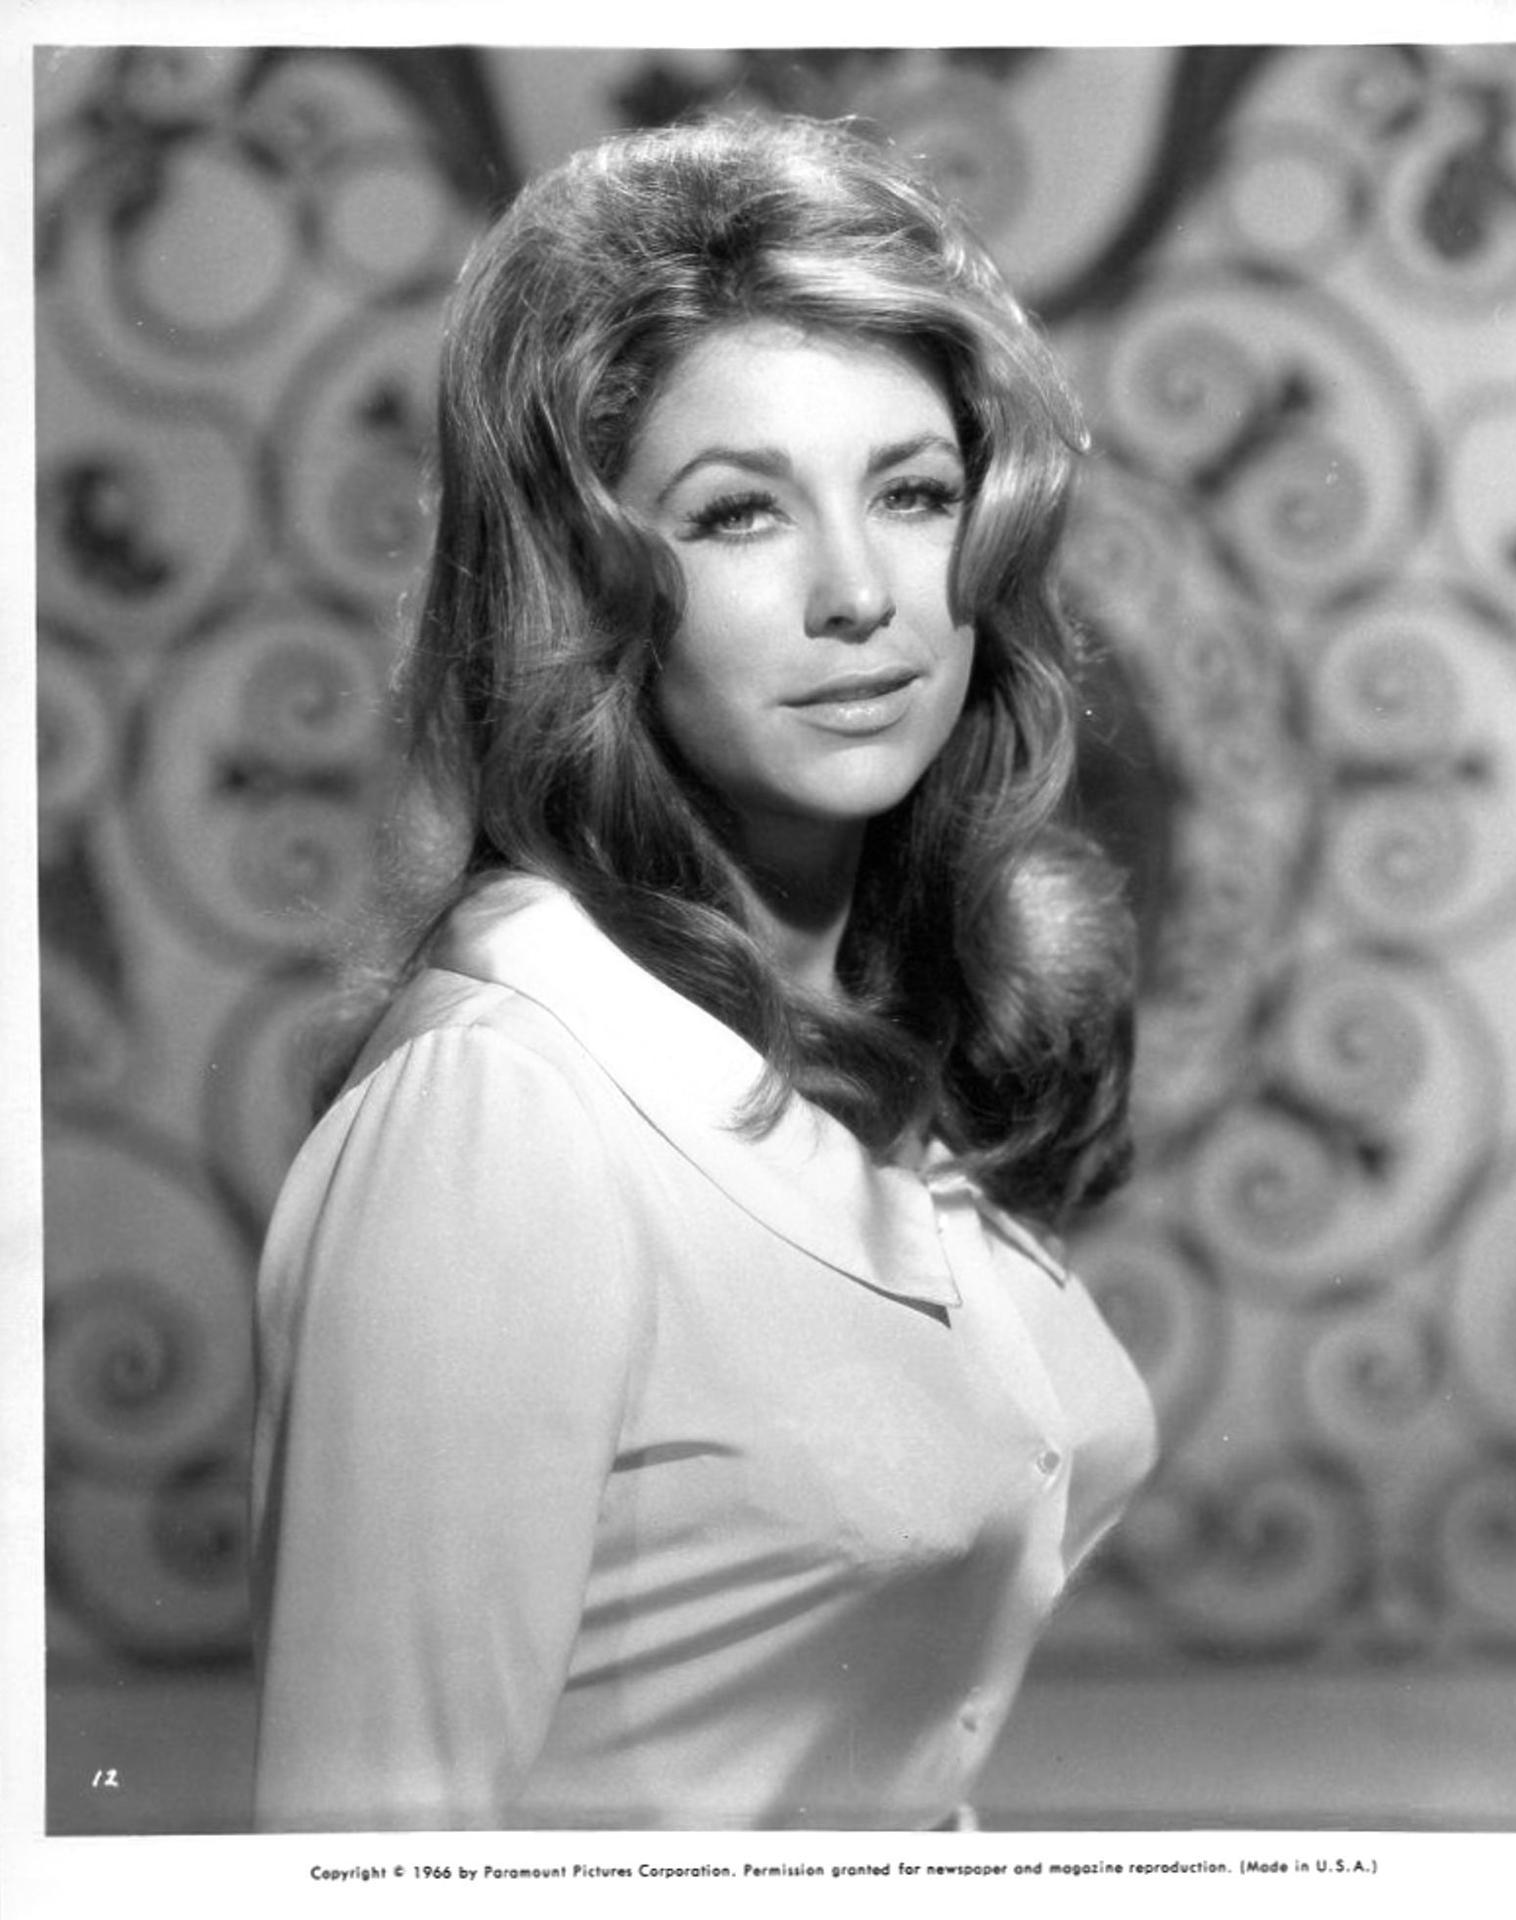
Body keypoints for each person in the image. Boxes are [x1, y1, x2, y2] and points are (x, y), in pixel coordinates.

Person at [250, 112, 1156, 1834]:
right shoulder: (500, 1114)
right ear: (586, 586)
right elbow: (369, 1846)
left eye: (914, 492)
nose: (860, 593)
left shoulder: (885, 1003)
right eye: (739, 513)